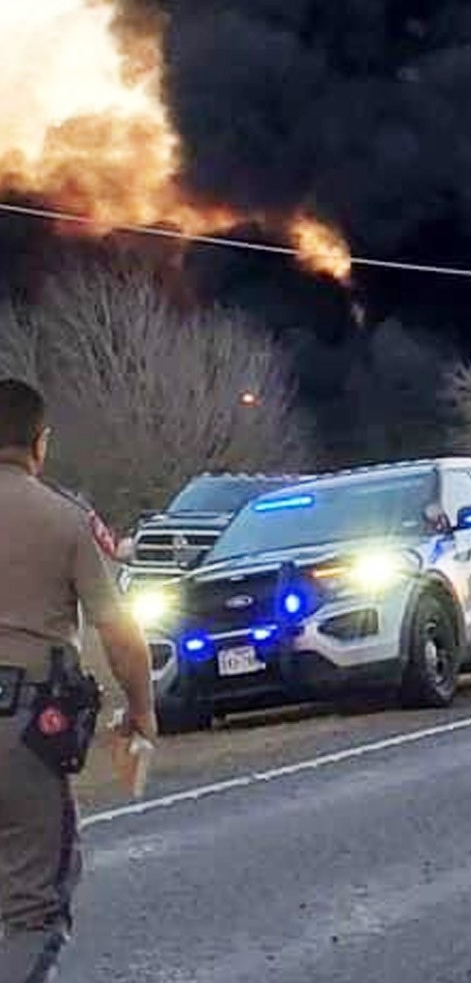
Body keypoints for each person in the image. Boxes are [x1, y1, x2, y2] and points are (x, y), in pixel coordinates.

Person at [0, 379, 157, 982]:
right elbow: (119, 632)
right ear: (40, 443)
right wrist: (142, 711)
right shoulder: (65, 521)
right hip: (20, 733)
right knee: (33, 914)